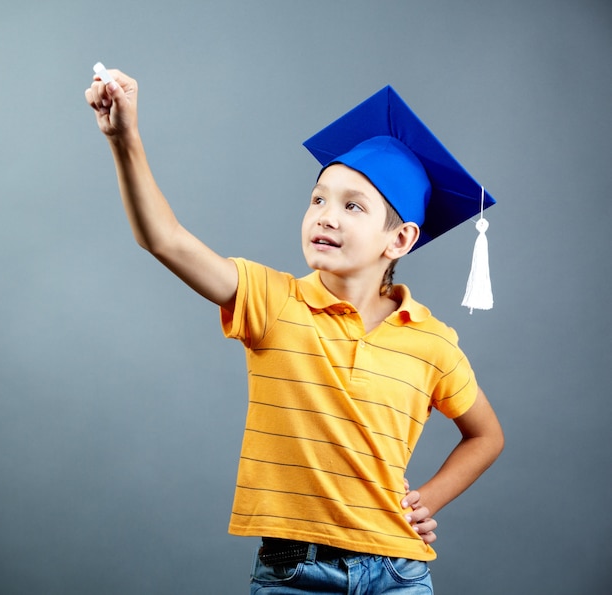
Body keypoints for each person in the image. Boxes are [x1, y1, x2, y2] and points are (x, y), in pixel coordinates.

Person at [85, 70, 504, 594]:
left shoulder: (432, 342)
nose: (326, 216)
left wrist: (431, 497)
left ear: (399, 239)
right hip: (295, 573)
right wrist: (125, 139)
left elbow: (486, 435)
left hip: (399, 572)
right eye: (319, 199)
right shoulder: (271, 300)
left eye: (353, 205)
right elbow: (164, 238)